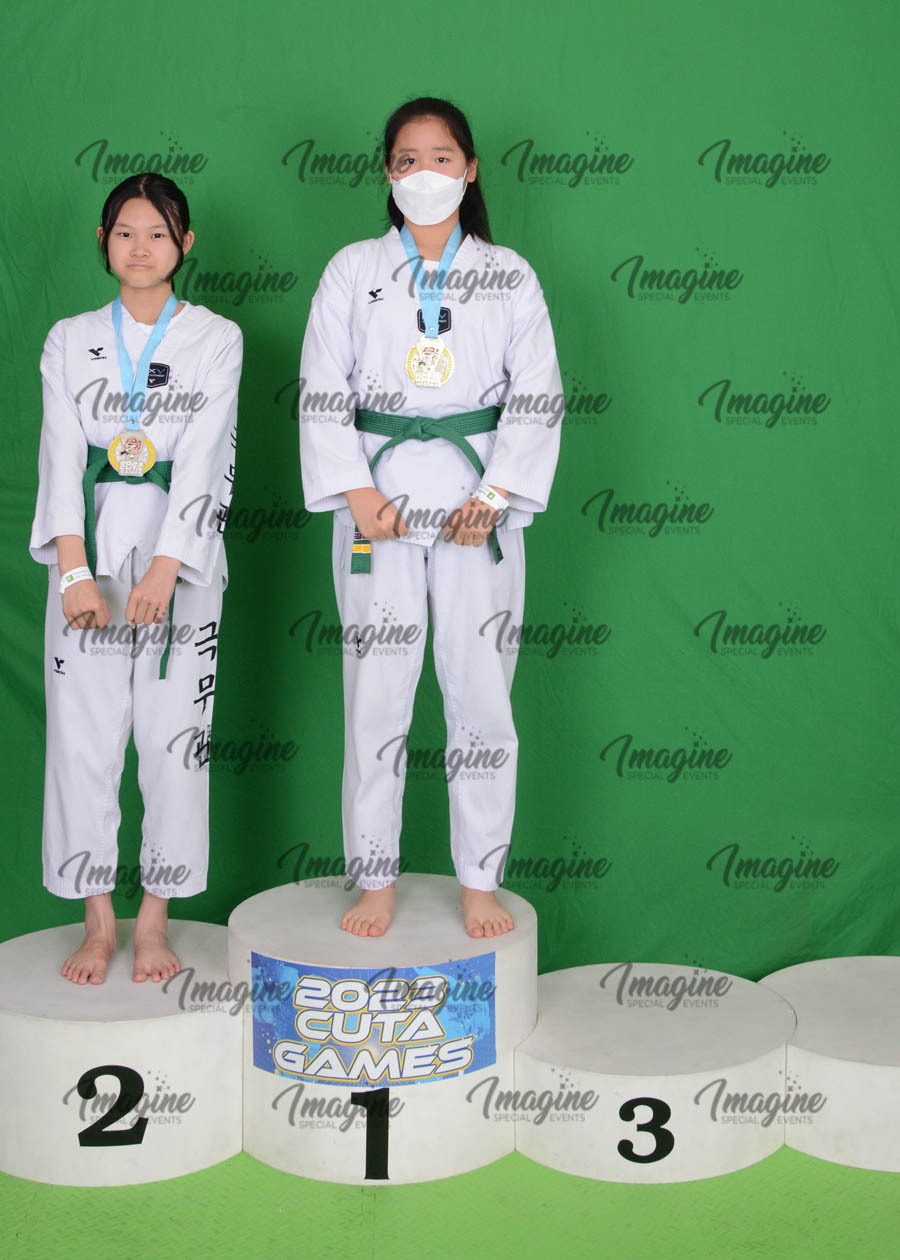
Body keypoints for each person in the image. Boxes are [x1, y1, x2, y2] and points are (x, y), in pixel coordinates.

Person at [299, 96, 563, 941]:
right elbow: (322, 385)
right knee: (376, 696)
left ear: (470, 169)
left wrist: (497, 495)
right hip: (375, 506)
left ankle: (480, 878)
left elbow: (538, 393)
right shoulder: (353, 269)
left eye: (441, 158)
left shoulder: (509, 274)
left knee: (480, 693)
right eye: (407, 159)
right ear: (388, 173)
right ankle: (374, 875)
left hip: (475, 506)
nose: (424, 174)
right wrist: (353, 489)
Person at [30, 173, 243, 984]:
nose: (141, 247)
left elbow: (207, 454)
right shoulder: (69, 338)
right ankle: (97, 922)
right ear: (103, 240)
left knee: (172, 744)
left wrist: (165, 567)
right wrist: (73, 572)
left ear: (185, 244)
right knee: (82, 742)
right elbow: (59, 456)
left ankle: (154, 920)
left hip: (178, 565)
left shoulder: (215, 338)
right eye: (126, 231)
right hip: (87, 560)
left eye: (158, 233)